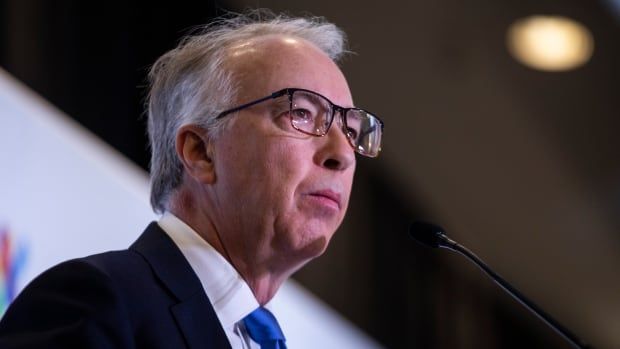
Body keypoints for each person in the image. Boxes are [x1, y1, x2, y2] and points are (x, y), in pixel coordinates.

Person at [0, 10, 383, 349]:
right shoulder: (96, 302)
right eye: (301, 113)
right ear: (201, 152)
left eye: (351, 131)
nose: (344, 154)